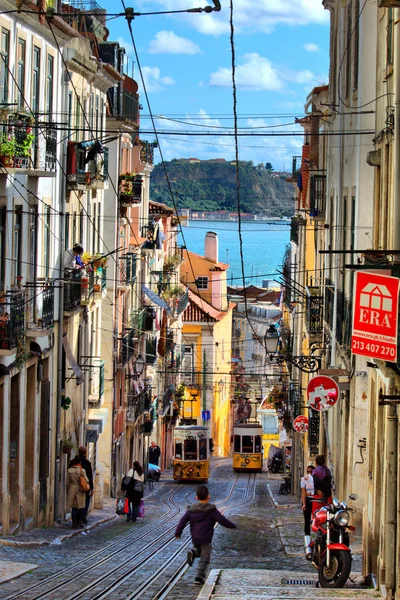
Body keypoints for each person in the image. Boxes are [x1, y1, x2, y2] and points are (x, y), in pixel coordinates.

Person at [175, 484, 236, 586]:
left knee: (198, 550)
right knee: (205, 557)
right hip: (206, 537)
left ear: (197, 497)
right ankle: (199, 576)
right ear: (208, 496)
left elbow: (183, 521)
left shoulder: (191, 510)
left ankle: (193, 552)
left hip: (195, 536)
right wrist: (232, 526)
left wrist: (178, 532)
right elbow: (222, 520)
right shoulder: (211, 510)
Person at [67, 455, 89, 528]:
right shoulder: (82, 471)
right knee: (81, 507)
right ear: (80, 462)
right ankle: (79, 522)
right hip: (80, 489)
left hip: (72, 488)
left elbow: (67, 482)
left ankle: (74, 523)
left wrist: (68, 490)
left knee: (74, 507)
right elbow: (86, 480)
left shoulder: (69, 470)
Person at [78, 446, 94, 525]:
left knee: (77, 502)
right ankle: (82, 517)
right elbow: (90, 476)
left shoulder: (74, 461)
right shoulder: (87, 463)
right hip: (85, 486)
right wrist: (91, 487)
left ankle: (77, 519)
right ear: (85, 453)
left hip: (76, 485)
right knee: (86, 501)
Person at [301, 465, 315, 535]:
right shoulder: (304, 479)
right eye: (308, 471)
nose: (309, 473)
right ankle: (307, 535)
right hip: (307, 500)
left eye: (311, 471)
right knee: (307, 519)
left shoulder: (316, 479)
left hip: (315, 500)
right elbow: (303, 493)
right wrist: (304, 504)